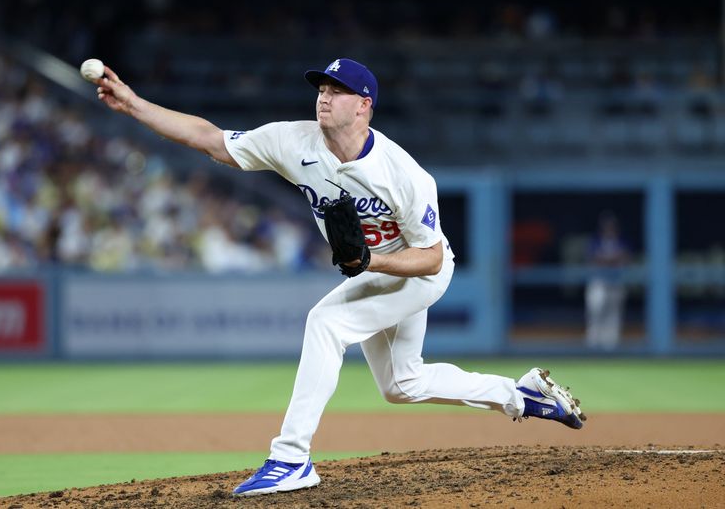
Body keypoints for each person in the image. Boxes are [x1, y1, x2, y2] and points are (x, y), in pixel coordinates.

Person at [93, 57, 585, 496]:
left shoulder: (403, 174)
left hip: (416, 269)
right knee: (402, 384)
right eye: (321, 89)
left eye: (336, 91)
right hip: (375, 271)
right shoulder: (294, 141)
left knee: (325, 322)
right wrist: (135, 104)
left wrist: (371, 263)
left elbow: (431, 258)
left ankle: (290, 458)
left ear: (363, 105)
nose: (323, 97)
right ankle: (521, 397)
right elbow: (210, 139)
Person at [585, 211, 631, 350]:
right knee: (596, 311)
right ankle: (593, 343)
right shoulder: (596, 241)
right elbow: (593, 259)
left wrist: (607, 259)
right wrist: (611, 259)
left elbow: (626, 258)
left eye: (612, 226)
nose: (609, 228)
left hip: (616, 282)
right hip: (599, 281)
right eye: (607, 226)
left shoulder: (622, 241)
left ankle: (611, 345)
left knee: (614, 313)